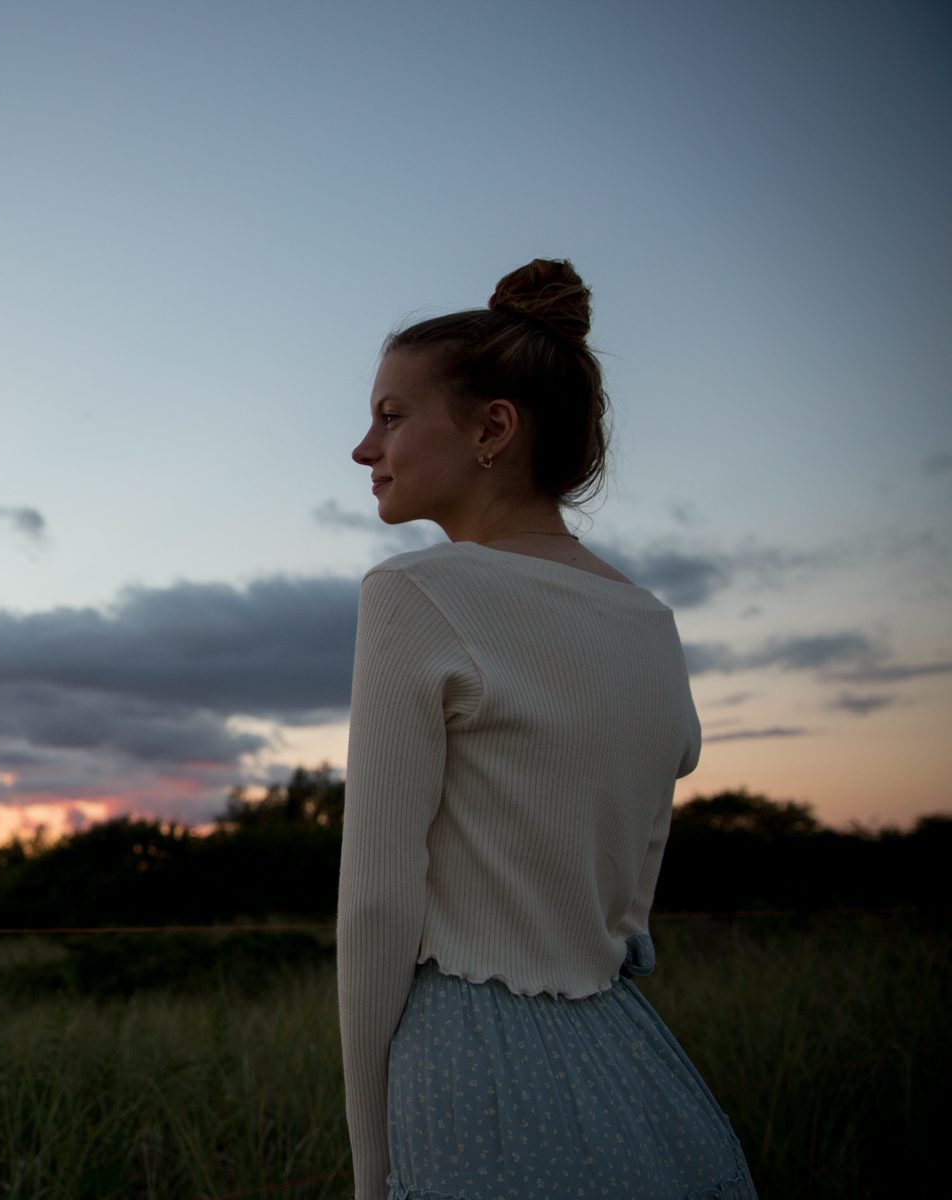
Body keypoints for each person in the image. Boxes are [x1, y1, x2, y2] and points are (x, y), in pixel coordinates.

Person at [337, 259, 757, 1199]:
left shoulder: (413, 595)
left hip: (470, 1074)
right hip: (632, 1062)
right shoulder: (649, 623)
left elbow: (374, 905)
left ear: (493, 427)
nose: (364, 449)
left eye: (392, 416)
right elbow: (629, 900)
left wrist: (374, 1169)